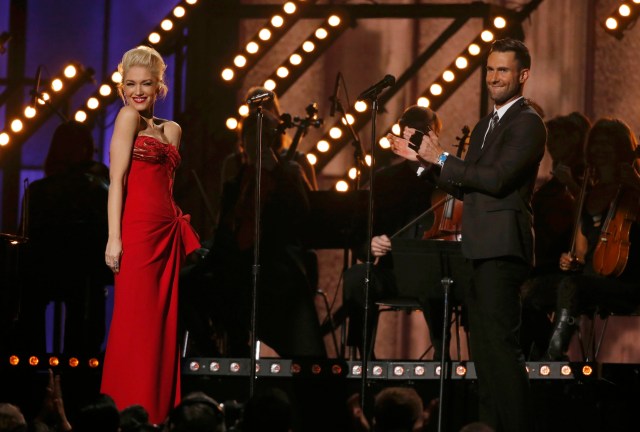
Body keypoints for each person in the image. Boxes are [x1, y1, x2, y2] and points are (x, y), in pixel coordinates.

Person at [390, 38, 546, 432]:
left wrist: (441, 157)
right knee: (484, 356)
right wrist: (424, 165)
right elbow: (466, 187)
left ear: (522, 75)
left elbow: (494, 180)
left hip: (502, 250)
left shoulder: (527, 123)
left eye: (503, 71)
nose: (494, 78)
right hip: (476, 250)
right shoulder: (483, 126)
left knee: (500, 352)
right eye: (490, 70)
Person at [101, 45, 200, 424]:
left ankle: (157, 414)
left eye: (146, 83)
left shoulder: (173, 130)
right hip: (138, 235)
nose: (137, 91)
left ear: (160, 86)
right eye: (130, 83)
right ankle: (128, 412)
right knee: (135, 326)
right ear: (122, 86)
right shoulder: (127, 117)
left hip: (166, 236)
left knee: (162, 329)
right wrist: (114, 238)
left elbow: (167, 186)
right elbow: (117, 181)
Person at [200, 86, 325, 358]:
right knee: (194, 282)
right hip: (239, 254)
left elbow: (307, 218)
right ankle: (218, 350)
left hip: (275, 256)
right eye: (250, 134)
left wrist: (279, 175)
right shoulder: (237, 168)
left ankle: (239, 344)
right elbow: (226, 219)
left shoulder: (292, 166)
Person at [342, 105, 451, 360]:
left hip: (432, 274)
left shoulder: (446, 177)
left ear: (434, 136)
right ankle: (365, 358)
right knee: (358, 277)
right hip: (392, 273)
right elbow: (359, 233)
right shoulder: (385, 180)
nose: (414, 139)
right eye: (409, 132)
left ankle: (441, 357)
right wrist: (370, 244)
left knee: (439, 282)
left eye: (422, 132)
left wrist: (432, 163)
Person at [544, 118, 640, 361]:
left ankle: (553, 357)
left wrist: (637, 185)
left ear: (622, 148)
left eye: (608, 143)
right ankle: (530, 356)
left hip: (625, 282)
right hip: (591, 278)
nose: (600, 148)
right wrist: (571, 261)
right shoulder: (587, 194)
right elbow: (581, 251)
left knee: (572, 286)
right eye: (596, 142)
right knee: (529, 291)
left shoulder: (633, 191)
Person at [17, 120, 111, 355]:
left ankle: (30, 351)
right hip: (82, 272)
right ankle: (84, 353)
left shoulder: (38, 190)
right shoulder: (95, 186)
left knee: (28, 292)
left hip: (43, 272)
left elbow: (24, 237)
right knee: (92, 288)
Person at [520, 113, 591, 359]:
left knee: (527, 295)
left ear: (575, 140)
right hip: (545, 263)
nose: (551, 144)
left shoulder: (584, 178)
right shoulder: (552, 185)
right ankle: (533, 352)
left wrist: (571, 185)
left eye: (558, 138)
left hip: (568, 265)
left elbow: (588, 214)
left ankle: (548, 353)